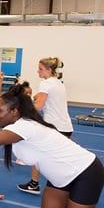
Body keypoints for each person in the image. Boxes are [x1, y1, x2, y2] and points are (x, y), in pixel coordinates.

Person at [18, 57, 73, 195]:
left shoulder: (46, 84)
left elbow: (39, 105)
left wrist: (21, 112)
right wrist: (31, 98)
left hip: (54, 127)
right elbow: (40, 98)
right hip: (65, 127)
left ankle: (36, 184)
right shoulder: (58, 83)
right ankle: (36, 184)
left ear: (49, 70)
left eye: (41, 69)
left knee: (38, 153)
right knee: (52, 156)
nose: (38, 71)